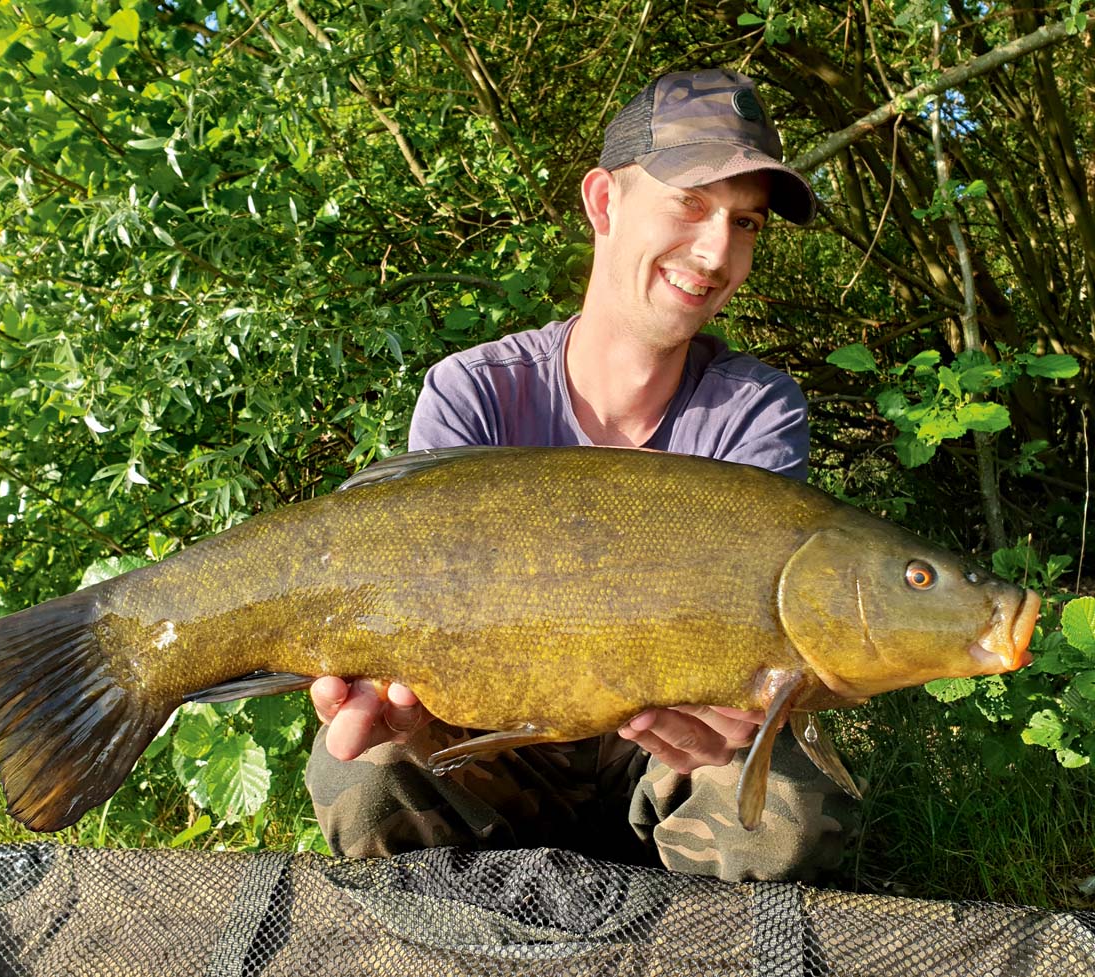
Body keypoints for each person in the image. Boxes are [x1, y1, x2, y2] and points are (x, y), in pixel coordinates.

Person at [305, 69, 851, 881]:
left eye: (745, 224)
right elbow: (410, 621)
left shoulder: (756, 410)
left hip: (665, 751)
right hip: (505, 739)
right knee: (364, 768)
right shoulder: (475, 391)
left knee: (789, 808)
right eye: (690, 205)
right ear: (603, 203)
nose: (716, 253)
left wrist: (751, 721)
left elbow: (766, 659)